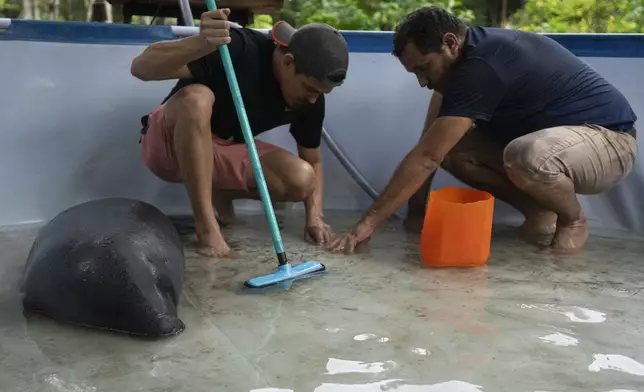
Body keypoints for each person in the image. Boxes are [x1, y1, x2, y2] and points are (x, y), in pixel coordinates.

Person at [329, 6, 637, 254]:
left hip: (609, 142)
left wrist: (367, 223)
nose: (423, 82)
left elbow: (426, 158)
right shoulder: (456, 74)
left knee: (525, 155)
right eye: (415, 73)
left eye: (424, 67)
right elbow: (431, 147)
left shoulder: (483, 65)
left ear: (450, 43)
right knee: (456, 150)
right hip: (560, 150)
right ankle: (540, 211)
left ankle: (573, 220)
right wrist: (415, 220)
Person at [130, 9, 350, 257]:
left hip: (220, 150)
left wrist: (315, 217)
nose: (313, 99)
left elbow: (313, 159)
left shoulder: (310, 98)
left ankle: (220, 191)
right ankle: (206, 227)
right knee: (198, 98)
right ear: (288, 62)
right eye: (309, 88)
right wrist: (200, 44)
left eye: (320, 93)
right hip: (167, 145)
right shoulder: (237, 48)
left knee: (302, 178)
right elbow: (140, 68)